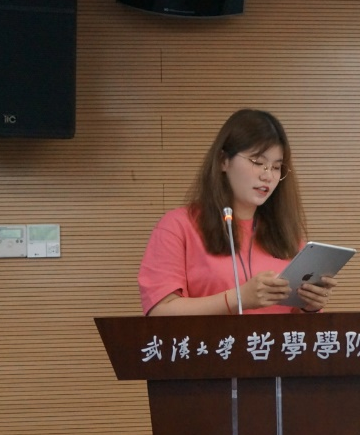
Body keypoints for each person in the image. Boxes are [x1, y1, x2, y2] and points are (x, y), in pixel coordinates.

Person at [138, 108, 337, 316]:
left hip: (270, 339)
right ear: (223, 161)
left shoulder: (287, 236)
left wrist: (309, 307)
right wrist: (238, 299)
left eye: (276, 167)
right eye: (258, 162)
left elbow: (300, 328)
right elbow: (159, 312)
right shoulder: (178, 226)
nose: (268, 176)